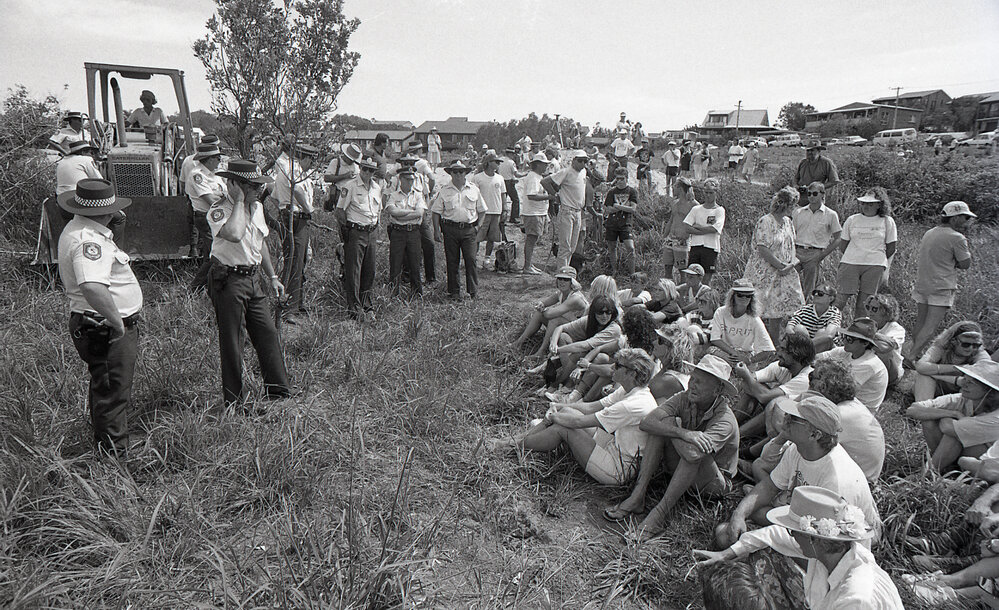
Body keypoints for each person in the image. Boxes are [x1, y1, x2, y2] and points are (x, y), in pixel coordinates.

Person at [715, 395, 882, 548]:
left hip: (833, 540)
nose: (786, 419)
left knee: (729, 537)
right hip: (803, 522)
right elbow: (770, 486)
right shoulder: (797, 449)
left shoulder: (835, 479)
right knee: (729, 531)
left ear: (814, 435)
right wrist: (739, 514)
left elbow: (825, 542)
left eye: (794, 419)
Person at [697, 486, 902, 609]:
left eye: (795, 531)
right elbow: (774, 535)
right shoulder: (831, 554)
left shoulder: (855, 599)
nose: (791, 534)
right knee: (764, 552)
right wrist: (725, 554)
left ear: (815, 540)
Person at [609, 355, 740, 538]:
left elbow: (694, 455)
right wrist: (682, 432)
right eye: (692, 379)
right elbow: (646, 422)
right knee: (660, 429)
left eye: (700, 382)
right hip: (685, 465)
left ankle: (659, 515)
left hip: (712, 484)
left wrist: (671, 426)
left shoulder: (725, 419)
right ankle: (637, 495)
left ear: (717, 389)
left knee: (690, 450)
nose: (692, 385)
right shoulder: (685, 397)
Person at [57, 179, 141, 457]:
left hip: (100, 325)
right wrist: (117, 321)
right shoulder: (87, 240)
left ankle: (109, 449)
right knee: (113, 394)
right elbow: (92, 285)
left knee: (107, 389)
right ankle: (115, 461)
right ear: (106, 212)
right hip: (104, 327)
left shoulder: (86, 231)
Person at [498, 349, 658, 486]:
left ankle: (511, 445)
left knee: (563, 427)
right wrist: (562, 407)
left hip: (618, 467)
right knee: (567, 414)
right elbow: (590, 407)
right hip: (614, 447)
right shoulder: (630, 390)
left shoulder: (633, 404)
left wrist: (554, 417)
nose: (611, 367)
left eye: (617, 365)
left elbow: (580, 422)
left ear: (632, 372)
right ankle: (518, 439)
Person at [206, 160, 292, 408]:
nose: (258, 190)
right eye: (252, 186)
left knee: (267, 332)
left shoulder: (256, 207)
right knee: (233, 341)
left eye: (258, 185)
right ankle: (235, 402)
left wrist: (272, 276)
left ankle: (278, 392)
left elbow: (260, 242)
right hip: (229, 279)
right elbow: (233, 234)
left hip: (253, 279)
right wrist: (240, 202)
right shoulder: (220, 209)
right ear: (236, 185)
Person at [908, 201, 976, 360]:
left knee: (921, 321)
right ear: (955, 218)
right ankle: (912, 357)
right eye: (965, 217)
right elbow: (966, 264)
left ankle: (912, 351)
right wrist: (955, 262)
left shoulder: (930, 232)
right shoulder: (957, 238)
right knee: (930, 326)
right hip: (942, 285)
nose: (967, 221)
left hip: (923, 283)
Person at [905, 359, 999, 472]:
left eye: (971, 383)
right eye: (965, 379)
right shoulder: (964, 398)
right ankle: (943, 467)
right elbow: (913, 409)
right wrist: (952, 413)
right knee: (929, 419)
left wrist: (946, 419)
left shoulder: (996, 416)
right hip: (967, 453)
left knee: (954, 435)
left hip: (988, 463)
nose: (964, 385)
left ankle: (928, 472)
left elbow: (948, 428)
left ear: (989, 391)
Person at [742, 186, 805, 340]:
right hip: (764, 272)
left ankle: (774, 344)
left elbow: (790, 246)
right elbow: (762, 248)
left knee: (777, 310)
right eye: (793, 205)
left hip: (784, 271)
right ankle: (750, 341)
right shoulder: (766, 221)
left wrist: (791, 264)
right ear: (785, 204)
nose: (794, 208)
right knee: (756, 308)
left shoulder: (788, 222)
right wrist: (780, 266)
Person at [809, 361, 886, 482]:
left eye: (812, 377)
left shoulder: (839, 415)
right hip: (861, 476)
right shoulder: (850, 405)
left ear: (823, 386)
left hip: (857, 482)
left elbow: (804, 442)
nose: (810, 381)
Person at [732, 332, 815, 440]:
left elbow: (764, 396)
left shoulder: (806, 378)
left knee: (773, 402)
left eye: (784, 350)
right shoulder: (781, 366)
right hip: (777, 412)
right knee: (758, 388)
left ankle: (736, 436)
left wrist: (747, 377)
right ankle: (731, 424)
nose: (778, 353)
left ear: (797, 355)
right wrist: (749, 380)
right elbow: (747, 384)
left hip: (797, 422)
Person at [836, 188, 897, 318]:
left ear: (879, 205)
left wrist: (877, 260)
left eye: (870, 204)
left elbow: (891, 247)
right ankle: (828, 327)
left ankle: (858, 333)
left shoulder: (887, 221)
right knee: (839, 300)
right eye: (864, 203)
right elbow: (843, 245)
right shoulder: (852, 219)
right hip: (850, 262)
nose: (866, 206)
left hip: (874, 265)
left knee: (865, 304)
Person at [273, 143, 318, 319]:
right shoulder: (292, 169)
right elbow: (297, 189)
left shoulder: (297, 170)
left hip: (298, 218)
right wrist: (308, 208)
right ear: (306, 158)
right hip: (295, 218)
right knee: (294, 262)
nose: (312, 165)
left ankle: (297, 303)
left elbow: (275, 195)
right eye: (312, 160)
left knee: (301, 261)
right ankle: (288, 308)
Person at [431, 160, 486, 300]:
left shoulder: (474, 189)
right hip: (450, 229)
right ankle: (454, 292)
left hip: (469, 230)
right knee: (452, 261)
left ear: (465, 173)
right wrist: (437, 231)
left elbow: (482, 211)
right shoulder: (444, 190)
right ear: (451, 174)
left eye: (461, 172)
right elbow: (436, 212)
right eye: (455, 172)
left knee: (471, 260)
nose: (458, 175)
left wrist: (478, 227)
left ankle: (473, 292)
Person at [335, 157, 382, 320]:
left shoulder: (376, 188)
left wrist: (377, 228)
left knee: (370, 270)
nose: (367, 173)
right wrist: (345, 230)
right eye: (365, 169)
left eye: (371, 170)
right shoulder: (350, 186)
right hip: (355, 231)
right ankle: (354, 308)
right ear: (360, 168)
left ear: (374, 172)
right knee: (354, 271)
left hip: (371, 232)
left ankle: (367, 305)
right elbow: (340, 210)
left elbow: (378, 211)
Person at [543, 296, 622, 388]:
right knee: (563, 337)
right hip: (587, 358)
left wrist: (558, 350)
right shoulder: (589, 321)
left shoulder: (614, 328)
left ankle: (561, 383)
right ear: (594, 312)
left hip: (606, 364)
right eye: (600, 312)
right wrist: (553, 344)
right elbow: (560, 327)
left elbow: (585, 346)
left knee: (597, 356)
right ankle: (567, 380)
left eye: (608, 312)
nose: (604, 316)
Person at [815, 318, 889, 412]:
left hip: (861, 409)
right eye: (844, 336)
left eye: (850, 339)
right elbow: (815, 359)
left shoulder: (868, 364)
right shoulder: (846, 351)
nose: (844, 341)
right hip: (846, 400)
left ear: (865, 343)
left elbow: (842, 391)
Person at [512, 266, 588, 355]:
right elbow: (543, 303)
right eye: (560, 278)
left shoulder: (575, 298)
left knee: (555, 320)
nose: (562, 282)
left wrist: (544, 309)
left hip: (580, 332)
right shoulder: (561, 293)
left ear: (572, 282)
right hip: (569, 325)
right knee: (539, 314)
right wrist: (541, 305)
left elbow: (549, 314)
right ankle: (519, 342)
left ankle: (541, 351)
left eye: (566, 279)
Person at [913, 321, 991, 402]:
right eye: (966, 344)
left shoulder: (979, 353)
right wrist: (958, 368)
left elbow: (987, 372)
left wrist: (941, 376)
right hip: (935, 388)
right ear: (953, 341)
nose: (971, 348)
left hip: (962, 393)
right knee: (923, 376)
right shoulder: (941, 347)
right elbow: (920, 366)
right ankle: (924, 407)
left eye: (976, 345)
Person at [185, 143, 226, 291]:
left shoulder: (215, 175)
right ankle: (195, 288)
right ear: (209, 159)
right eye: (217, 157)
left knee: (212, 252)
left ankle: (205, 287)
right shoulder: (198, 175)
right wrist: (223, 197)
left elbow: (222, 195)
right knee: (215, 254)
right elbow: (210, 200)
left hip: (215, 217)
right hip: (205, 217)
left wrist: (221, 196)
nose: (220, 160)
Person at [792, 181, 842, 297]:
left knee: (809, 288)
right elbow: (791, 233)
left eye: (815, 194)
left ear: (822, 195)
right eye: (809, 194)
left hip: (815, 253)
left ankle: (806, 311)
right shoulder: (798, 212)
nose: (811, 197)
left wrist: (822, 255)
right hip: (797, 252)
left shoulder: (831, 214)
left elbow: (838, 238)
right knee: (788, 281)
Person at [709, 280, 775, 367]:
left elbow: (770, 350)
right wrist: (733, 353)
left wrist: (750, 360)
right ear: (733, 296)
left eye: (748, 296)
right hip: (726, 351)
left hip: (744, 354)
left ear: (752, 298)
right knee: (710, 350)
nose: (744, 298)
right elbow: (715, 339)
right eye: (740, 295)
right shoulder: (721, 312)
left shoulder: (754, 319)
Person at [541, 150, 589, 269]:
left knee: (572, 247)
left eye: (585, 161)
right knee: (565, 246)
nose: (583, 163)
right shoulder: (566, 172)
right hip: (567, 211)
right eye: (580, 160)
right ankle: (561, 273)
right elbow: (545, 181)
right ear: (574, 160)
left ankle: (566, 271)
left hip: (578, 211)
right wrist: (556, 195)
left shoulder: (583, 172)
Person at [384, 166, 426, 297]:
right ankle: (393, 294)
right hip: (398, 232)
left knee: (415, 263)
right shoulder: (393, 196)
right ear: (401, 179)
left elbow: (420, 213)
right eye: (407, 179)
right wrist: (411, 212)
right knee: (395, 263)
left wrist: (401, 214)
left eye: (412, 179)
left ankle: (417, 294)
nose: (411, 182)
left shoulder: (418, 195)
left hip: (413, 232)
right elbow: (393, 212)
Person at [469, 153, 508, 270]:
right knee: (478, 236)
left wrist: (505, 209)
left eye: (499, 162)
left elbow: (503, 195)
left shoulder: (500, 178)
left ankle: (487, 258)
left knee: (492, 237)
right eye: (496, 162)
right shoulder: (478, 178)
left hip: (496, 211)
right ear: (488, 163)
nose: (498, 164)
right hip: (482, 212)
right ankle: (473, 258)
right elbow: (473, 194)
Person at [684, 178, 725, 287]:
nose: (708, 195)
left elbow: (715, 229)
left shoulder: (719, 210)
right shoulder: (696, 209)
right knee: (692, 278)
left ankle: (704, 300)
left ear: (716, 193)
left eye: (711, 192)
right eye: (706, 192)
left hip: (711, 247)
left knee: (706, 280)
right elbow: (687, 227)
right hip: (695, 246)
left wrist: (698, 227)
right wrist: (705, 230)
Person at [519, 153, 553, 275]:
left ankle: (529, 264)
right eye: (544, 164)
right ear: (537, 164)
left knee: (534, 239)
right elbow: (531, 195)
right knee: (531, 239)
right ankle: (527, 266)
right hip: (533, 213)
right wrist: (549, 197)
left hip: (539, 212)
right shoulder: (533, 177)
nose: (546, 167)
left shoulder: (538, 177)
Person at [603, 166, 639, 276]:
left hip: (625, 223)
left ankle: (632, 273)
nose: (619, 181)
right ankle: (615, 271)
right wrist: (623, 207)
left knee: (630, 248)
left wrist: (618, 207)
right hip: (612, 223)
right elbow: (607, 209)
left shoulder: (632, 191)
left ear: (627, 178)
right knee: (612, 247)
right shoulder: (612, 192)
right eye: (617, 179)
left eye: (622, 179)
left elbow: (633, 209)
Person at [863, 294, 906, 386]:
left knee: (884, 353)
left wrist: (868, 333)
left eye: (874, 309)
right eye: (868, 307)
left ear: (886, 312)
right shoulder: (866, 322)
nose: (870, 312)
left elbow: (883, 349)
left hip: (890, 373)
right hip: (868, 365)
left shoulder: (896, 329)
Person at [786, 283, 842, 349]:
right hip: (805, 346)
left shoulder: (834, 312)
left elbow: (829, 335)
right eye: (814, 292)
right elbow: (789, 327)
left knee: (822, 332)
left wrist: (808, 346)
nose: (816, 295)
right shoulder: (805, 309)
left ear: (830, 299)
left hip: (824, 348)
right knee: (798, 328)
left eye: (820, 293)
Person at [663, 177, 698, 282]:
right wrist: (665, 235)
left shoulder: (694, 205)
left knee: (682, 270)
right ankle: (669, 290)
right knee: (667, 266)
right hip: (670, 239)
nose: (673, 189)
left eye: (674, 186)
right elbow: (671, 219)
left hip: (682, 240)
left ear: (680, 188)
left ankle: (682, 293)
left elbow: (696, 224)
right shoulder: (675, 203)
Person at [498, 147, 523, 224]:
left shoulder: (500, 160)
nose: (513, 156)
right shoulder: (511, 162)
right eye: (512, 154)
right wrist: (525, 174)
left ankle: (501, 218)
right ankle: (514, 217)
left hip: (500, 181)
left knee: (501, 200)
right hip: (509, 182)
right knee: (515, 200)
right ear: (510, 154)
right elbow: (516, 174)